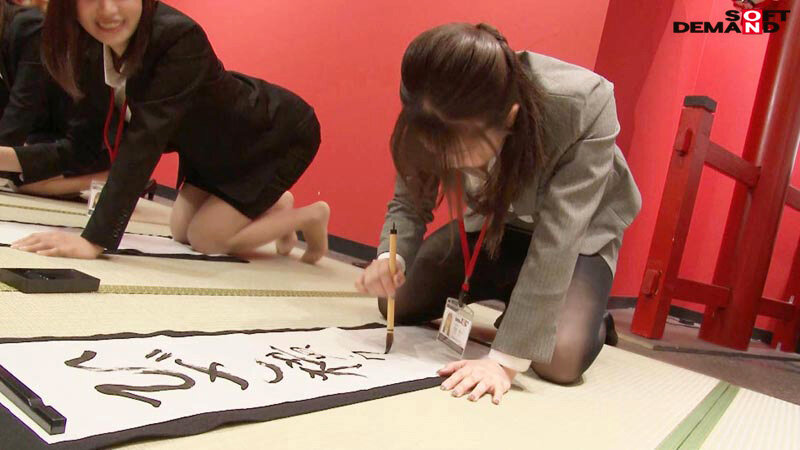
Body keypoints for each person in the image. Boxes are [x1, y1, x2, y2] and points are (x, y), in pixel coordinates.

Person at [356, 23, 642, 404]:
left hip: (576, 243)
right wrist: (390, 259)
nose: (445, 161)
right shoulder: (429, 102)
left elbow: (560, 235)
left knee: (560, 360)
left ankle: (592, 320)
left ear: (508, 117)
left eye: (459, 148)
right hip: (495, 230)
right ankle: (517, 297)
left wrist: (503, 362)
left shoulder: (583, 105)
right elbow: (409, 202)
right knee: (398, 300)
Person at [11, 0, 329, 263]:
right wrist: (7, 159)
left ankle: (311, 216)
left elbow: (144, 142)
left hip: (271, 135)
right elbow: (81, 145)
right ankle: (274, 203)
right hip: (210, 149)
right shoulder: (91, 44)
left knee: (207, 238)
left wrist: (93, 241)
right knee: (180, 230)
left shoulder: (179, 37)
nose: (107, 9)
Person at [0, 1, 107, 196]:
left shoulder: (30, 26)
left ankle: (113, 177)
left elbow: (21, 107)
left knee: (20, 175)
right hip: (47, 133)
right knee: (18, 172)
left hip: (86, 138)